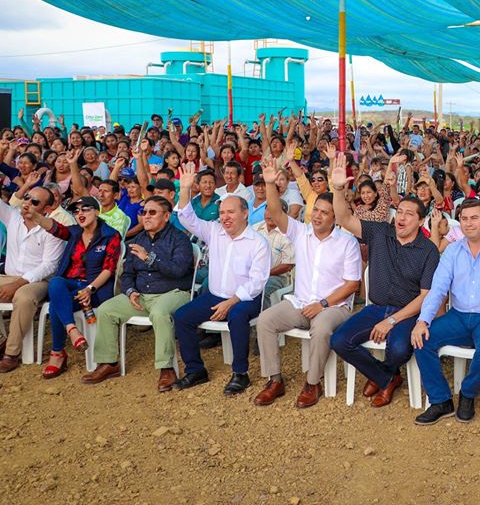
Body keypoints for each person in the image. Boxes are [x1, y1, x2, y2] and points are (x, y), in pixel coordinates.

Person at [329, 153, 440, 408]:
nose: (401, 217)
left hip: (407, 313)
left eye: (409, 214)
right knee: (339, 341)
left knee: (399, 349)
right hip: (376, 308)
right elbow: (344, 219)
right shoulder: (380, 232)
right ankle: (387, 377)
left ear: (421, 220)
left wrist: (391, 321)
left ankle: (383, 373)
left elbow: (425, 296)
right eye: (399, 212)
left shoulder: (429, 251)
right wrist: (338, 190)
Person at [253, 158, 361, 409]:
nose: (317, 216)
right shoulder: (301, 232)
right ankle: (274, 380)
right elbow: (276, 212)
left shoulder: (347, 243)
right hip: (301, 302)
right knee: (265, 320)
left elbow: (351, 285)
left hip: (333, 307)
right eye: (316, 211)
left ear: (335, 217)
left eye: (324, 212)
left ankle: (313, 383)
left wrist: (322, 304)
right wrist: (270, 183)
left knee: (321, 329)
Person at [411, 198, 480, 424]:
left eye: (474, 218)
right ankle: (441, 400)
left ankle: (468, 393)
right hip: (459, 316)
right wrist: (423, 320)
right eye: (463, 219)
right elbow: (438, 289)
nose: (468, 223)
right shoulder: (453, 251)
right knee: (421, 339)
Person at [172, 163, 271, 395]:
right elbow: (187, 219)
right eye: (222, 212)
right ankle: (196, 370)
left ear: (245, 214)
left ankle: (240, 373)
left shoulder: (258, 243)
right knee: (182, 317)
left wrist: (232, 301)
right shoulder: (214, 231)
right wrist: (185, 189)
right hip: (216, 296)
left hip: (245, 299)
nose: (224, 217)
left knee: (237, 316)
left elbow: (257, 283)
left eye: (230, 212)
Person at [83, 196, 195, 390]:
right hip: (142, 296)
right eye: (144, 212)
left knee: (159, 313)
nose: (146, 216)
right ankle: (109, 363)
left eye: (152, 212)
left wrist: (149, 257)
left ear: (166, 216)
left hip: (173, 292)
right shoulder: (138, 239)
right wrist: (130, 291)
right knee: (106, 310)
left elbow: (178, 271)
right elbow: (127, 274)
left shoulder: (180, 239)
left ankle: (167, 368)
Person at [21, 196, 121, 378]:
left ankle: (57, 353)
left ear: (97, 211)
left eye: (85, 209)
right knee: (56, 282)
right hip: (70, 284)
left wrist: (90, 289)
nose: (80, 213)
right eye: (76, 211)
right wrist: (35, 216)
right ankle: (72, 330)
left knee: (56, 304)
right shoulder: (75, 232)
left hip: (95, 288)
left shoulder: (110, 235)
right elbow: (55, 228)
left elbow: (109, 269)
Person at [0, 186, 66, 372]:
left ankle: (11, 354)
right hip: (9, 276)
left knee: (24, 298)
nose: (27, 203)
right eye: (27, 198)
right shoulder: (13, 216)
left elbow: (48, 266)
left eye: (34, 202)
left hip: (38, 281)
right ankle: (1, 340)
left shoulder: (52, 229)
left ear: (46, 209)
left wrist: (17, 284)